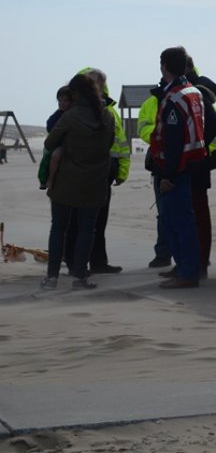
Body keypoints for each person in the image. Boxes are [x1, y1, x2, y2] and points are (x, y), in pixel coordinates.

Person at [40, 72, 114, 290]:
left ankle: (52, 277)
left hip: (67, 180)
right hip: (95, 180)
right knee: (86, 230)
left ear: (76, 94)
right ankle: (79, 278)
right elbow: (109, 144)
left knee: (59, 228)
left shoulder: (70, 116)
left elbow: (50, 142)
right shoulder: (106, 116)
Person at [159, 60, 216, 280]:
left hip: (191, 167)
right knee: (179, 219)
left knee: (192, 219)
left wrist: (196, 153)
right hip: (191, 164)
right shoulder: (187, 92)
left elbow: (213, 127)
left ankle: (195, 266)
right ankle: (187, 265)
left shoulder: (191, 93)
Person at [63, 68, 130, 275]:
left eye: (97, 84)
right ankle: (75, 263)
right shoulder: (73, 110)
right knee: (76, 220)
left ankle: (99, 262)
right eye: (91, 83)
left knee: (99, 220)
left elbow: (121, 144)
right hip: (79, 170)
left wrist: (122, 171)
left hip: (105, 170)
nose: (95, 87)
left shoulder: (110, 111)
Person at [150, 46, 207, 289]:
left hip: (178, 168)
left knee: (179, 222)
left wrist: (168, 174)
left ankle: (187, 272)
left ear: (165, 66)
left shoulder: (175, 96)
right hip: (190, 164)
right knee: (178, 221)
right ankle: (184, 269)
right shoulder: (193, 91)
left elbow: (173, 139)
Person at [138, 80, 172, 268]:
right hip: (161, 161)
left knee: (186, 214)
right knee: (164, 212)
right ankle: (163, 254)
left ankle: (191, 258)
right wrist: (163, 136)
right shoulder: (152, 101)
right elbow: (143, 128)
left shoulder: (193, 95)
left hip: (188, 163)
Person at [39, 86, 73, 190]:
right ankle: (46, 179)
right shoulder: (58, 114)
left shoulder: (74, 113)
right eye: (60, 101)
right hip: (58, 143)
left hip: (69, 143)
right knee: (49, 155)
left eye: (65, 100)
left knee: (55, 155)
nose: (62, 103)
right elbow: (49, 126)